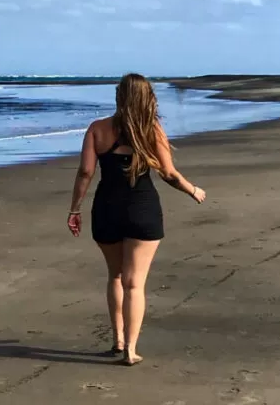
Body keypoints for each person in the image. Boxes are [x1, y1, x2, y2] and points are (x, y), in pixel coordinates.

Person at [66, 73, 206, 366]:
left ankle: (117, 338)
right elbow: (168, 174)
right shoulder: (151, 130)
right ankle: (130, 349)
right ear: (147, 98)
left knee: (115, 276)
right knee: (135, 284)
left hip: (106, 209)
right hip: (142, 210)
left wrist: (74, 209)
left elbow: (85, 173)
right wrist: (193, 190)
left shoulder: (97, 129)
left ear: (119, 96)